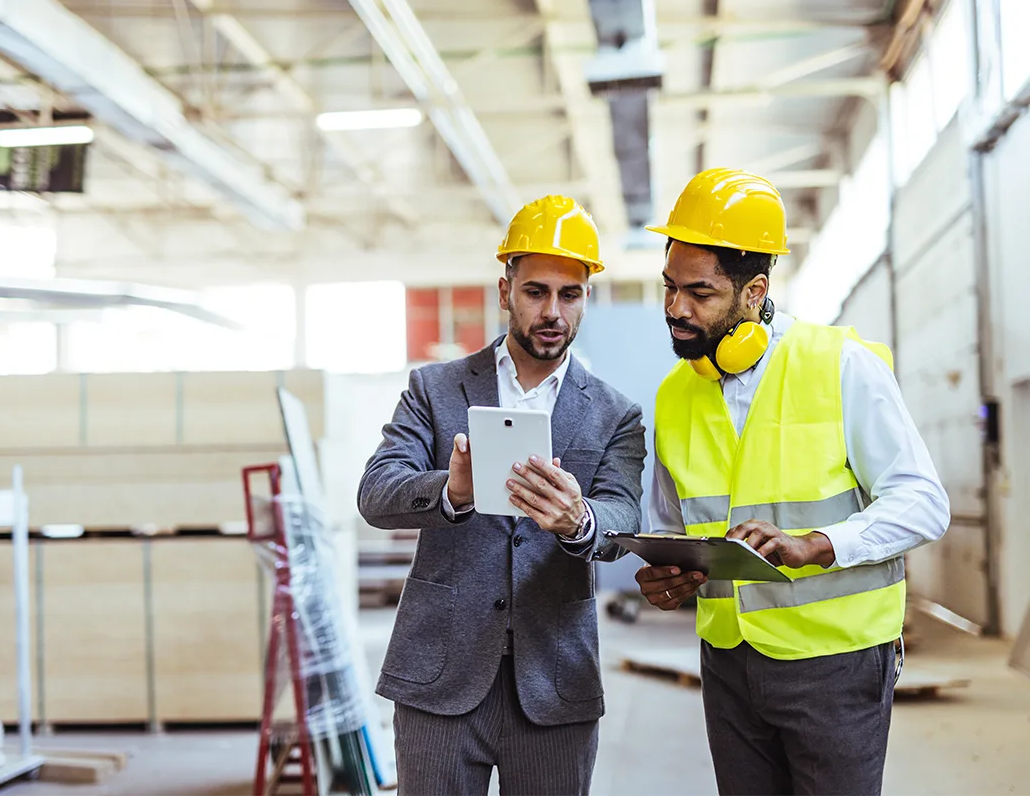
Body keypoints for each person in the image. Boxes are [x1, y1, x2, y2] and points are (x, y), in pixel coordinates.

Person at [635, 168, 950, 797]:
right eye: (669, 287)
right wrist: (666, 576)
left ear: (755, 292)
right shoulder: (674, 395)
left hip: (836, 663)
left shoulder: (840, 365)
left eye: (699, 292)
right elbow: (671, 527)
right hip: (728, 663)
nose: (676, 309)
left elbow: (923, 502)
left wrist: (818, 544)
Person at [358, 194, 646, 797]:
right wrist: (452, 491)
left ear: (586, 298)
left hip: (555, 682)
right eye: (536, 292)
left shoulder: (615, 413)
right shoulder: (435, 388)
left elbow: (622, 519)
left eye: (570, 295)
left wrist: (579, 519)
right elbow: (377, 492)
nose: (553, 312)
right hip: (440, 678)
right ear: (504, 291)